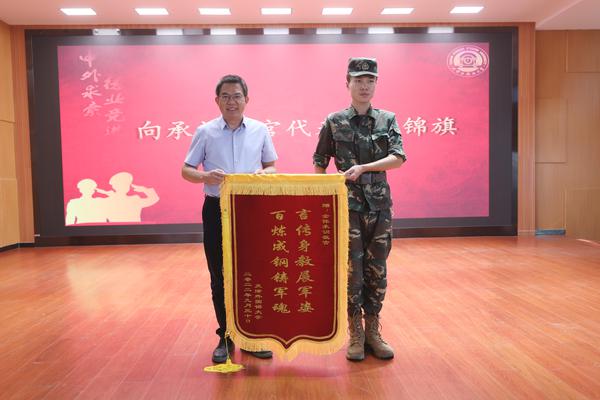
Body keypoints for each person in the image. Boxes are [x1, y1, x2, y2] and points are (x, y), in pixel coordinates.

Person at [313, 58, 406, 361]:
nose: (364, 86)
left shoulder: (387, 119)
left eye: (370, 80)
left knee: (377, 268)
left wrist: (365, 167)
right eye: (358, 80)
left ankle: (373, 330)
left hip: (379, 207)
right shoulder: (334, 121)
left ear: (376, 83)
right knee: (352, 270)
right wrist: (324, 196)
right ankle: (355, 331)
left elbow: (398, 157)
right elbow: (320, 160)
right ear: (348, 84)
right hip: (347, 207)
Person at [182, 75, 277, 363]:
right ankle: (225, 336)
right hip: (216, 209)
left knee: (253, 273)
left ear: (246, 99)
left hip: (251, 209)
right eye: (225, 96)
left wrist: (263, 174)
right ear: (217, 100)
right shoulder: (205, 132)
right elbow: (186, 170)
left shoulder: (260, 130)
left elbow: (271, 166)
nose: (231, 101)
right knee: (220, 274)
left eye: (236, 96)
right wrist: (204, 176)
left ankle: (250, 336)